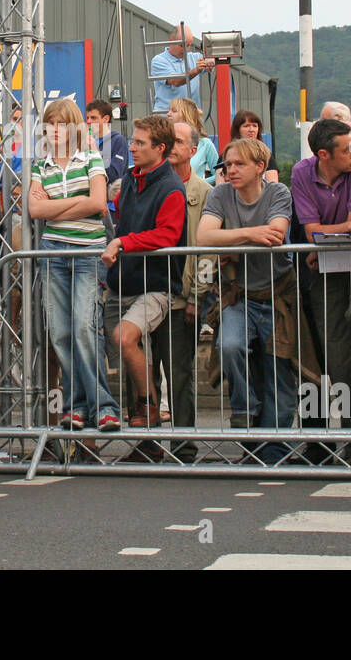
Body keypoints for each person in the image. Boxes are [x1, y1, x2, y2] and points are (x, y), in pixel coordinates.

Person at [290, 118, 351, 454]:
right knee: (332, 342)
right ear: (323, 154)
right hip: (327, 263)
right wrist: (341, 230)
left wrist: (331, 234)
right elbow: (310, 232)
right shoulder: (302, 173)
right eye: (347, 148)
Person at [197, 137, 297, 444]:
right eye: (228, 164)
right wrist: (252, 234)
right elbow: (203, 237)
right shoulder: (221, 193)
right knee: (229, 345)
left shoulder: (278, 192)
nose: (231, 170)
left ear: (260, 167)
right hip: (239, 294)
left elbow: (276, 234)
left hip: (277, 293)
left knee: (278, 374)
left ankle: (273, 450)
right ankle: (244, 408)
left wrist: (228, 241)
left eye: (239, 164)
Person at [29, 98, 118, 432]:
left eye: (61, 124)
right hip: (53, 251)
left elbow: (99, 202)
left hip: (88, 253)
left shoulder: (92, 157)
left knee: (84, 328)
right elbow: (35, 211)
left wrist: (57, 205)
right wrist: (79, 203)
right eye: (49, 124)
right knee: (61, 333)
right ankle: (76, 405)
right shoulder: (41, 165)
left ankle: (104, 405)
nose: (54, 130)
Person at [100, 116, 186, 430]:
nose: (132, 147)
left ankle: (147, 405)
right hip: (123, 281)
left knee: (125, 338)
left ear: (160, 148)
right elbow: (123, 223)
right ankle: (145, 435)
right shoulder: (131, 177)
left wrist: (123, 242)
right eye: (133, 141)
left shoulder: (171, 188)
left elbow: (168, 235)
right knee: (128, 349)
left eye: (139, 143)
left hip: (157, 284)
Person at [154, 119, 213, 457]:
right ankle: (146, 440)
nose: (171, 147)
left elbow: (207, 252)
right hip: (150, 291)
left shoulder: (204, 192)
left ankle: (183, 442)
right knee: (147, 371)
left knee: (179, 373)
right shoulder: (150, 186)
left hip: (183, 298)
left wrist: (197, 296)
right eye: (167, 140)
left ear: (193, 150)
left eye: (177, 141)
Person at [151, 23, 214, 112]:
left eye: (189, 45)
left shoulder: (195, 57)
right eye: (182, 45)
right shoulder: (158, 61)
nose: (186, 49)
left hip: (191, 117)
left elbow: (213, 57)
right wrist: (196, 70)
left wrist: (211, 61)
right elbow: (176, 81)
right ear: (171, 40)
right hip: (168, 119)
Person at [167, 97, 219, 185]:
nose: (168, 114)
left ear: (186, 115)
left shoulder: (205, 144)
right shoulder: (163, 142)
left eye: (174, 111)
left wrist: (198, 185)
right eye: (169, 110)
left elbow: (219, 174)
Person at [86, 98, 129, 186]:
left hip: (109, 198)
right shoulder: (86, 142)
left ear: (106, 119)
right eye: (87, 118)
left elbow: (114, 176)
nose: (89, 121)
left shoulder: (118, 141)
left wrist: (95, 152)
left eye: (93, 118)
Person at [230, 109, 278, 183]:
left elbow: (274, 185)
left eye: (255, 126)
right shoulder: (227, 155)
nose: (251, 130)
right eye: (246, 126)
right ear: (237, 130)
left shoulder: (266, 155)